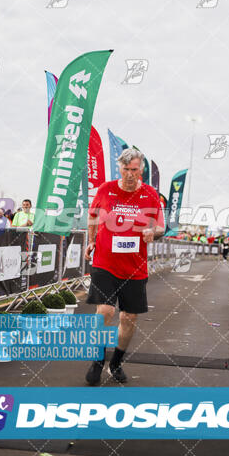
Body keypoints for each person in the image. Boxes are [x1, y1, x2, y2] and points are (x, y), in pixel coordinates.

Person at [84, 148, 164, 386]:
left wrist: (153, 232)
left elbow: (160, 227)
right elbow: (93, 217)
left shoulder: (150, 194)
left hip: (134, 267)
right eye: (126, 169)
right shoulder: (106, 189)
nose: (130, 174)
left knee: (128, 318)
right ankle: (98, 360)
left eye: (135, 170)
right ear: (119, 168)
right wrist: (91, 241)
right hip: (105, 263)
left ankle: (116, 362)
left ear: (141, 171)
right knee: (105, 312)